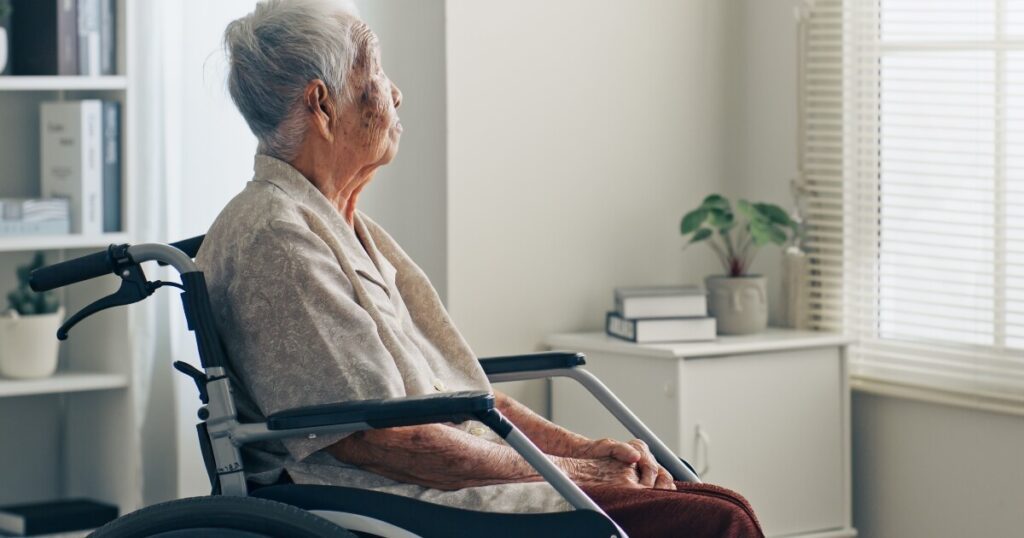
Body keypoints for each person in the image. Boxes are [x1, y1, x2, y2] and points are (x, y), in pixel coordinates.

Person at [197, 1, 763, 536]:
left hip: (438, 472)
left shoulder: (339, 223)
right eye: (375, 71)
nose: (397, 92)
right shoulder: (279, 238)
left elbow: (460, 393)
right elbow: (378, 441)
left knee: (721, 503)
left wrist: (583, 452)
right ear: (322, 106)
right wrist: (573, 473)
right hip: (389, 494)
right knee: (715, 524)